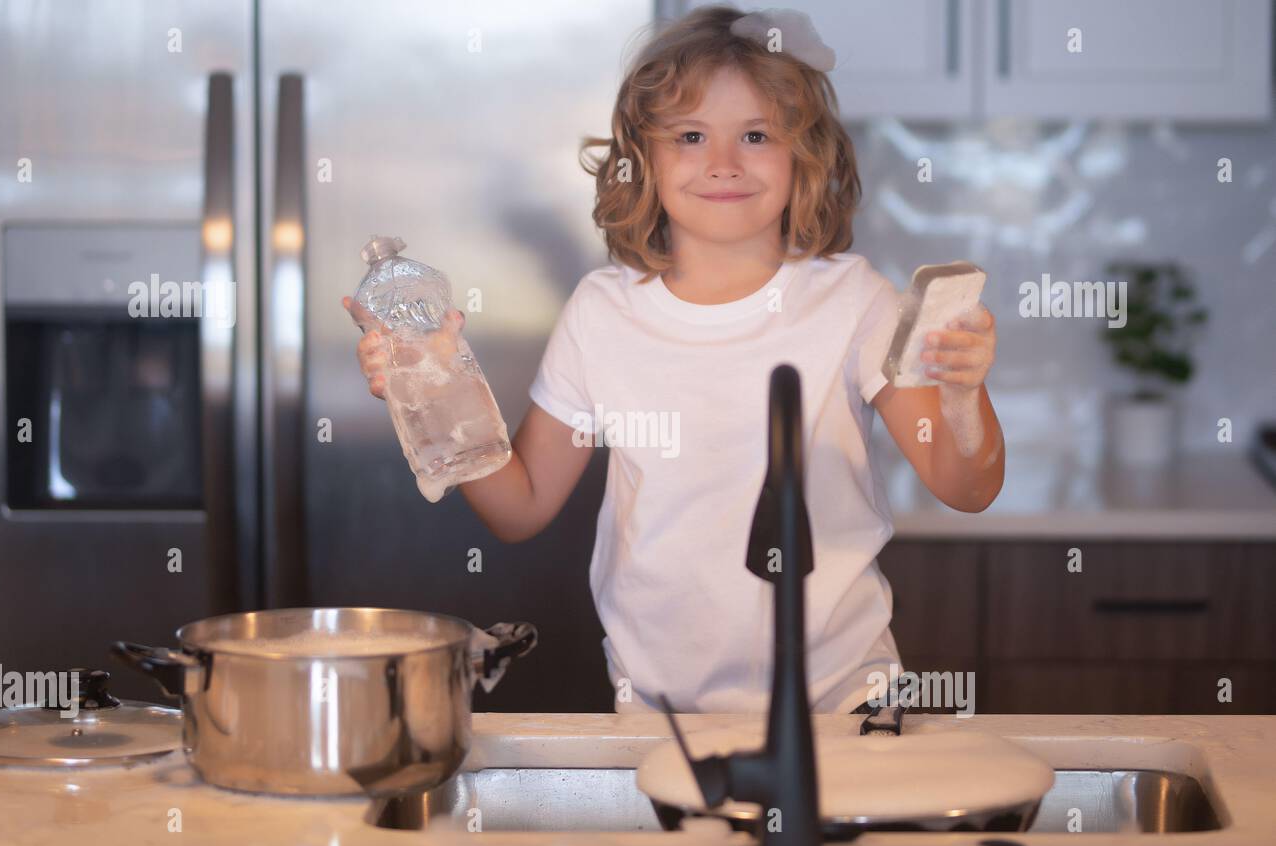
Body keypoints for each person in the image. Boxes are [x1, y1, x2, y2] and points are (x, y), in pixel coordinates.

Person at [346, 5, 1003, 715]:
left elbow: (966, 487)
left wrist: (965, 397)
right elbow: (520, 508)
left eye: (756, 135)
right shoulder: (602, 313)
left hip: (842, 708)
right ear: (644, 161)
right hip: (659, 719)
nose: (723, 163)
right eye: (690, 136)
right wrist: (438, 398)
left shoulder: (857, 302)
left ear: (803, 155)